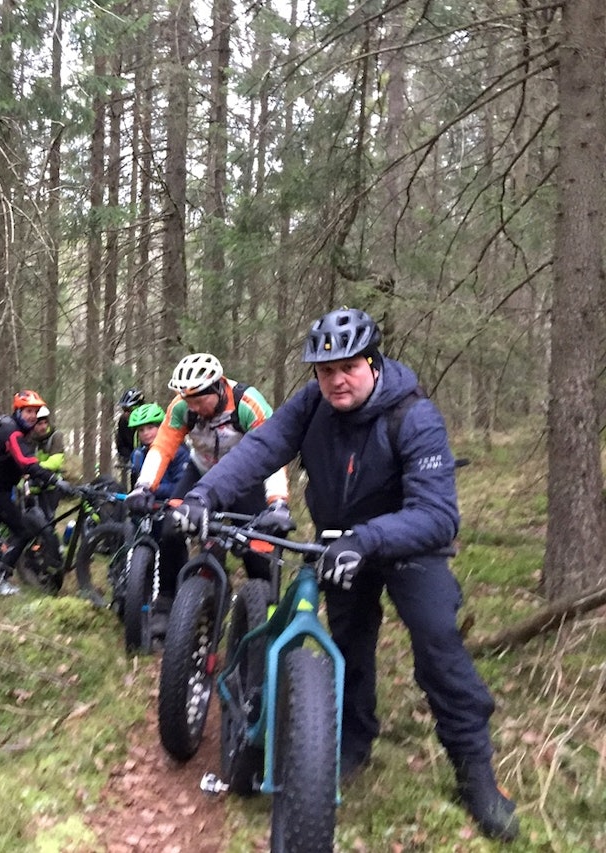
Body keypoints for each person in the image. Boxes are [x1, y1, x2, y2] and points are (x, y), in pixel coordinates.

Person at [168, 308, 519, 841]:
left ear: (372, 363)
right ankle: (352, 742)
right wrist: (203, 494)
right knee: (350, 642)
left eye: (348, 366)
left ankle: (476, 773)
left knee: (437, 644)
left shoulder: (413, 414)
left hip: (407, 545)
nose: (336, 379)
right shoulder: (313, 404)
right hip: (337, 542)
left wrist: (369, 538)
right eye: (325, 370)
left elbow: (439, 515)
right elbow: (263, 447)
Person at [128, 352, 289, 586]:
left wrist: (278, 502)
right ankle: (164, 604)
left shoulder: (247, 403)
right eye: (188, 401)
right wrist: (143, 486)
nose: (193, 408)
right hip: (201, 472)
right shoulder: (181, 407)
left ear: (217, 388)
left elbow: (272, 452)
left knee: (257, 549)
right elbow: (162, 448)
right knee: (172, 527)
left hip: (245, 479)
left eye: (199, 401)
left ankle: (262, 610)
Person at [0, 390, 75, 595]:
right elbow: (27, 462)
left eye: (35, 412)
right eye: (28, 411)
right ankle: (1, 578)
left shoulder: (11, 427)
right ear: (18, 410)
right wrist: (54, 480)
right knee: (22, 531)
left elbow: (15, 463)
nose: (32, 416)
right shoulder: (12, 432)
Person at [28, 406, 68, 520]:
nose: (43, 427)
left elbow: (55, 461)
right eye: (39, 424)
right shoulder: (29, 439)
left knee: (47, 522)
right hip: (32, 487)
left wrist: (33, 468)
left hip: (51, 487)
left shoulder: (56, 436)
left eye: (45, 423)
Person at [115, 388, 145, 486]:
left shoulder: (151, 423)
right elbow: (121, 444)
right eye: (124, 410)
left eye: (129, 410)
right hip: (135, 468)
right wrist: (129, 458)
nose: (126, 413)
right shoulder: (123, 421)